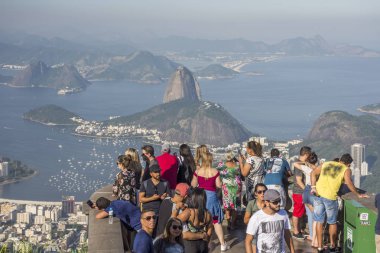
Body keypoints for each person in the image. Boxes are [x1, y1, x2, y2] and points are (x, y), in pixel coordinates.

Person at [311, 153, 369, 253]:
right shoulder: (346, 169)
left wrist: (313, 187)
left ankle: (320, 247)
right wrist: (358, 194)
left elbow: (313, 173)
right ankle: (333, 246)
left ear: (340, 160)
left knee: (319, 221)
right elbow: (349, 183)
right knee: (332, 222)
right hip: (330, 197)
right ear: (349, 164)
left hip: (318, 195)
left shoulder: (327, 163)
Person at [192, 150, 230, 251]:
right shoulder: (215, 171)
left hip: (201, 197)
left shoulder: (197, 172)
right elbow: (218, 185)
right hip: (212, 198)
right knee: (216, 220)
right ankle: (222, 244)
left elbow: (193, 185)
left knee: (201, 219)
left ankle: (204, 243)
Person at [175, 188, 213, 253]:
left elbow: (173, 222)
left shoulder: (189, 212)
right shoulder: (208, 213)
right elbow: (210, 231)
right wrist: (206, 243)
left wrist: (176, 209)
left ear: (193, 199)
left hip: (189, 246)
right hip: (203, 246)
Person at [293, 151, 318, 246]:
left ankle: (312, 236)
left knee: (310, 214)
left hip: (307, 191)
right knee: (314, 215)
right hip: (315, 191)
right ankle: (314, 236)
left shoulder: (307, 169)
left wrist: (305, 163)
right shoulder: (318, 169)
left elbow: (295, 163)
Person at [218, 151, 242, 229]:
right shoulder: (237, 165)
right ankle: (233, 225)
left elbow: (219, 175)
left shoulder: (221, 165)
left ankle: (228, 222)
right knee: (235, 207)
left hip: (226, 188)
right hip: (236, 188)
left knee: (227, 206)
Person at [292, 146, 311, 240]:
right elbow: (299, 180)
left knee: (300, 212)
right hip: (299, 192)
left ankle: (299, 230)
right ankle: (296, 231)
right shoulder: (299, 166)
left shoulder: (299, 163)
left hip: (298, 192)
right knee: (297, 212)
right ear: (306, 154)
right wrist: (306, 191)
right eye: (309, 155)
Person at [244, 183, 268, 253]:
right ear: (256, 194)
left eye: (264, 191)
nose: (262, 193)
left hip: (266, 232)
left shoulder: (269, 203)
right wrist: (257, 219)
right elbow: (245, 220)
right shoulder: (252, 203)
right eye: (260, 192)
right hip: (255, 232)